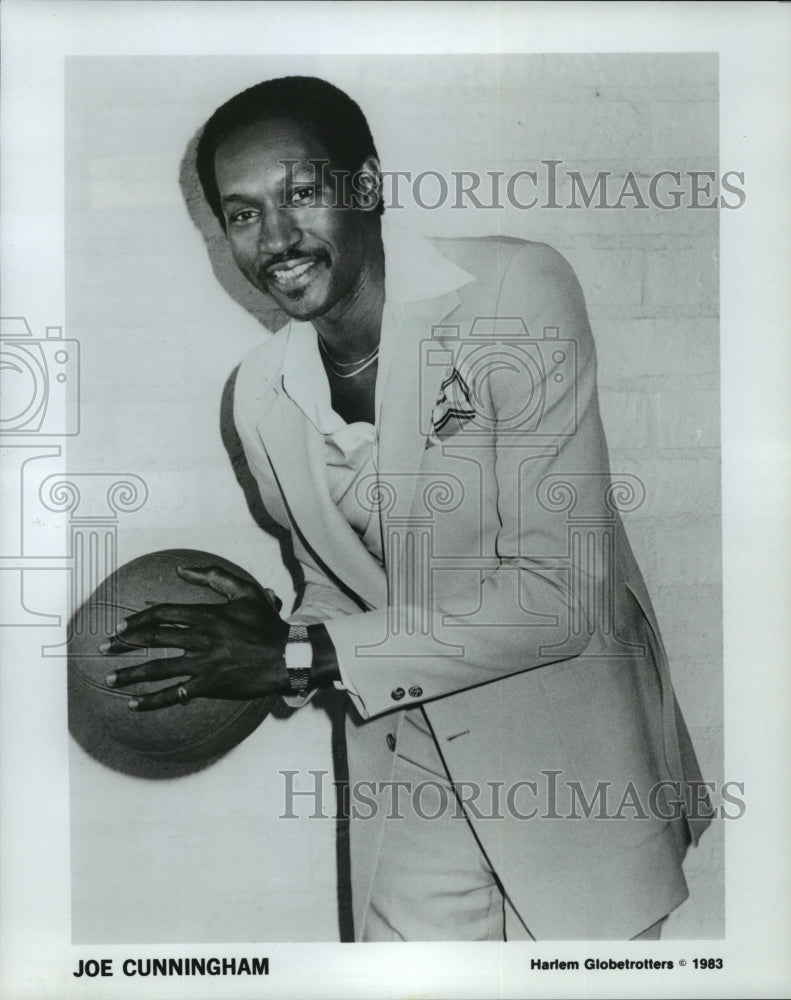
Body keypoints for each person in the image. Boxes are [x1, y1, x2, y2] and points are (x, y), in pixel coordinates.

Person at [101, 76, 711, 941]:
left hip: (566, 788)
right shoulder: (261, 397)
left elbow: (560, 598)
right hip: (405, 787)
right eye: (241, 214)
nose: (275, 238)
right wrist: (265, 631)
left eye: (301, 194)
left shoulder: (512, 292)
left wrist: (298, 655)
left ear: (370, 185)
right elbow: (339, 593)